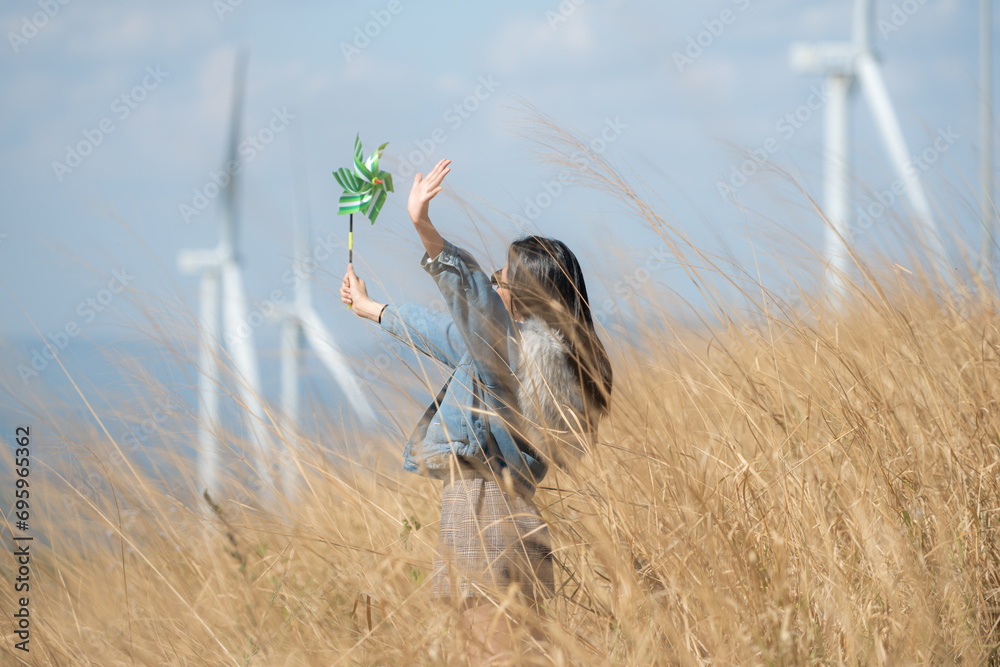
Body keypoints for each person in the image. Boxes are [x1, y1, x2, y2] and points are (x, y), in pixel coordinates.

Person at [340, 158, 613, 661]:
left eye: (501, 277)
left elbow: (471, 300)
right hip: (512, 518)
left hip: (483, 515)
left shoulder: (509, 352)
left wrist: (424, 227)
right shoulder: (529, 359)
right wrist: (373, 308)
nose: (493, 279)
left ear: (522, 296)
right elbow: (445, 332)